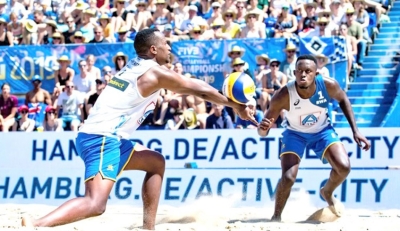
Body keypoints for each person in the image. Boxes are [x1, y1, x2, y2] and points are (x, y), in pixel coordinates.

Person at [22, 28, 256, 230]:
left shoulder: (135, 67)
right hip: (102, 138)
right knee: (95, 204)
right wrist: (236, 105)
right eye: (165, 44)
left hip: (106, 137)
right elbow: (199, 90)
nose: (169, 47)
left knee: (156, 162)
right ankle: (35, 224)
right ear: (153, 50)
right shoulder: (153, 72)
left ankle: (148, 228)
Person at [257, 54, 371, 221]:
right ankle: (276, 217)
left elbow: (343, 99)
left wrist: (356, 131)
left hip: (322, 130)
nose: (303, 75)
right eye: (300, 71)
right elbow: (262, 132)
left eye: (308, 71)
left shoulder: (328, 85)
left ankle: (327, 191)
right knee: (288, 177)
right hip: (294, 133)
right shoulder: (283, 95)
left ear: (316, 74)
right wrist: (263, 129)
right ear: (294, 73)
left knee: (344, 167)